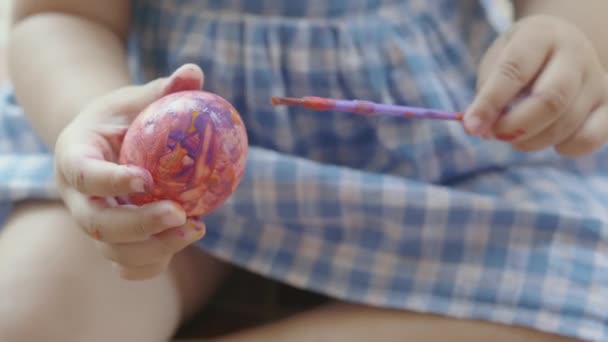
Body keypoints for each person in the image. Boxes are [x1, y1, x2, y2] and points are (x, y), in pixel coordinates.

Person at [0, 0, 607, 341]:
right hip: (164, 183)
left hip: (438, 169)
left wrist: (567, 38)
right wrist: (93, 125)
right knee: (32, 310)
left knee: (580, 302)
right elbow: (56, 13)